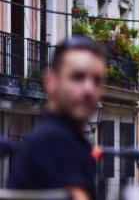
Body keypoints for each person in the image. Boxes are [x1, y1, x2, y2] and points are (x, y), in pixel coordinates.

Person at [8, 35, 107, 200]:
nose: (89, 88)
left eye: (97, 80)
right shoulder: (51, 141)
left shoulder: (70, 140)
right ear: (50, 82)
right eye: (77, 77)